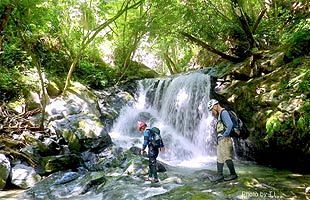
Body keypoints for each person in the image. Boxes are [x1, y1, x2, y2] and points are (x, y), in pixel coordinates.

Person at [207, 99, 238, 182]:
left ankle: (233, 174)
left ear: (215, 106)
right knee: (219, 157)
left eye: (212, 110)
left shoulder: (224, 113)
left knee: (226, 157)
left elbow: (230, 125)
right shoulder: (220, 114)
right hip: (221, 140)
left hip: (225, 139)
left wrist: (224, 135)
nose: (212, 112)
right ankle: (220, 175)